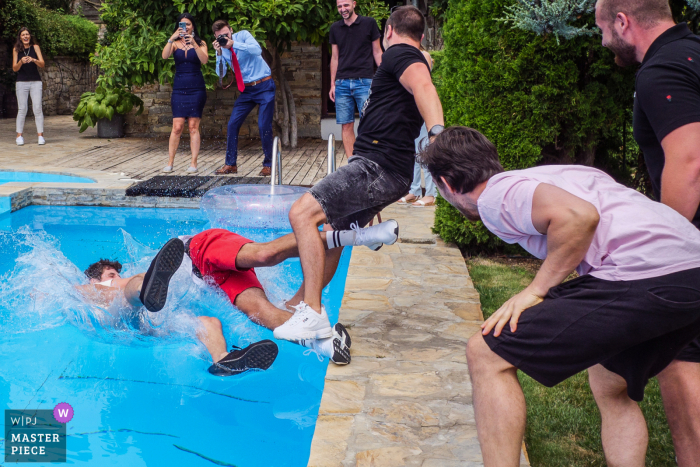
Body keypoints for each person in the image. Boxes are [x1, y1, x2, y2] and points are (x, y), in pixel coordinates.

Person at [420, 126, 700, 466]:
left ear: (447, 183)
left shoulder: (495, 196)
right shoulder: (554, 176)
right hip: (690, 272)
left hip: (644, 273)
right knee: (609, 384)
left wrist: (535, 291)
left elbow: (579, 218)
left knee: (485, 353)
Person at [279, 6, 444, 342]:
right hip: (388, 170)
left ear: (387, 31)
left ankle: (311, 312)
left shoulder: (400, 53)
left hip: (376, 165)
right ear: (424, 36)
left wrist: (438, 134)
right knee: (335, 234)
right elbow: (425, 67)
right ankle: (298, 304)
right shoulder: (415, 55)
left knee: (301, 214)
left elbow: (424, 86)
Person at [595, 1, 700, 464]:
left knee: (683, 359)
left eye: (601, 29)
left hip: (692, 247)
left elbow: (689, 161)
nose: (601, 42)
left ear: (623, 22)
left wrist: (665, 252)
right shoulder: (693, 52)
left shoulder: (660, 72)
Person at [78, 239, 279, 376]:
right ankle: (144, 288)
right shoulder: (89, 288)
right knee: (132, 285)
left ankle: (222, 360)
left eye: (117, 274)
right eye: (111, 274)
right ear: (93, 279)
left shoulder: (117, 285)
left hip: (143, 326)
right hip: (112, 322)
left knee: (208, 322)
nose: (117, 277)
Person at [212, 20, 275, 177]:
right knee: (232, 124)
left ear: (231, 30)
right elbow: (221, 74)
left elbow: (256, 50)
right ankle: (231, 164)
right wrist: (219, 54)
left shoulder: (244, 36)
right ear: (215, 36)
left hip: (264, 85)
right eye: (220, 36)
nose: (224, 38)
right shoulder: (221, 49)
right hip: (246, 90)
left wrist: (233, 44)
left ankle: (269, 164)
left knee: (263, 125)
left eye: (226, 34)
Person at [329, 0, 383, 158]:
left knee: (369, 123)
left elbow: (378, 52)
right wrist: (332, 84)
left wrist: (385, 79)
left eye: (345, 5)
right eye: (339, 6)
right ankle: (352, 164)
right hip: (342, 83)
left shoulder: (369, 23)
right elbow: (334, 58)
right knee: (346, 125)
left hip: (364, 82)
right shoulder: (335, 28)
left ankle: (368, 160)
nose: (342, 9)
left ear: (354, 4)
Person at [161, 13, 209, 174]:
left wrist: (194, 43)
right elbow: (164, 56)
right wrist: (171, 38)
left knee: (193, 127)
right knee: (177, 127)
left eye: (188, 24)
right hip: (180, 90)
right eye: (182, 24)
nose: (185, 27)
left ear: (193, 26)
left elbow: (204, 60)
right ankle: (170, 162)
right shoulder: (174, 44)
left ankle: (193, 163)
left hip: (196, 89)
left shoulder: (201, 43)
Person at [398, 48, 436, 207]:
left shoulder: (423, 55)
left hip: (421, 109)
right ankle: (414, 190)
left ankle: (431, 194)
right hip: (409, 110)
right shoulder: (403, 55)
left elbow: (422, 82)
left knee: (424, 151)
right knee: (412, 154)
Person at [12, 27, 45, 147]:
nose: (25, 36)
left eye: (27, 34)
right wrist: (21, 61)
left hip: (36, 81)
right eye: (23, 35)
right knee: (22, 109)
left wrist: (33, 59)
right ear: (20, 37)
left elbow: (42, 64)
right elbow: (15, 68)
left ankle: (40, 136)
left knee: (37, 108)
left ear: (30, 36)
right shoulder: (16, 49)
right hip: (21, 82)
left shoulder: (35, 47)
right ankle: (19, 136)